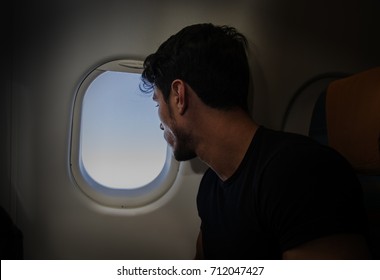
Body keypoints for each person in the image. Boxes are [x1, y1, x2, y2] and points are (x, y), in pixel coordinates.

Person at [141, 23, 371, 259]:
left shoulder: (304, 172)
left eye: (158, 102)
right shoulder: (211, 186)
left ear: (179, 96)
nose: (159, 120)